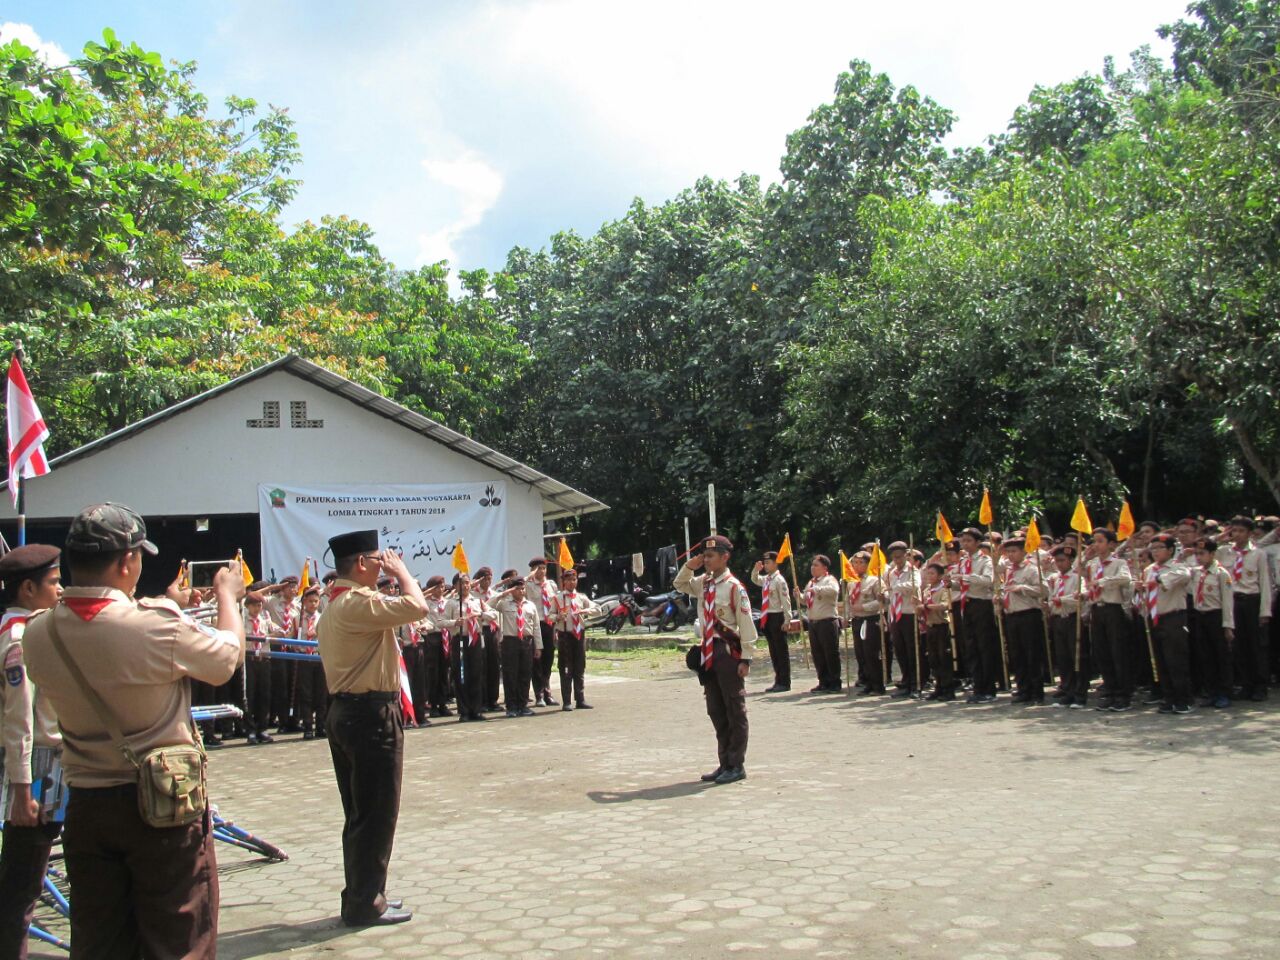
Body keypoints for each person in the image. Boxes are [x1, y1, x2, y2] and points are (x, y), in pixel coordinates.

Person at [23, 503, 244, 958]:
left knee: (101, 939)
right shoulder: (154, 624)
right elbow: (225, 659)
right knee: (178, 937)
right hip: (162, 803)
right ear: (127, 561)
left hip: (86, 800)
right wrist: (227, 596)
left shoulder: (38, 634)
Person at [317, 530, 427, 927]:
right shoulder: (356, 603)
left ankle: (364, 895)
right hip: (369, 717)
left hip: (347, 712)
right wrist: (403, 572)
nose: (384, 565)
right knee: (376, 814)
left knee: (360, 813)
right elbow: (418, 606)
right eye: (379, 560)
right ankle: (365, 903)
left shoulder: (336, 604)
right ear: (361, 564)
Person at [0, 544, 63, 960]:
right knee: (23, 885)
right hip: (36, 769)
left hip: (44, 765)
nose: (60, 590)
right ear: (27, 588)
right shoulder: (19, 638)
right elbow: (20, 719)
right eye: (54, 583)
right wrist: (23, 791)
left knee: (25, 880)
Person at [673, 536, 758, 785]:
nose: (707, 560)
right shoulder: (703, 582)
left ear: (725, 557)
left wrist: (746, 658)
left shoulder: (734, 587)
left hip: (728, 652)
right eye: (705, 556)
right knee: (716, 710)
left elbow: (746, 624)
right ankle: (724, 762)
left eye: (711, 556)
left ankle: (736, 763)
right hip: (708, 652)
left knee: (734, 709)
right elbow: (679, 584)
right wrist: (691, 565)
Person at [1218, 516, 1273, 701]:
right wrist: (1219, 538)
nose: (1237, 534)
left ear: (1250, 533)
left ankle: (1260, 685)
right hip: (1232, 601)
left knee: (1256, 645)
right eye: (1234, 530)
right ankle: (1246, 684)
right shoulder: (1224, 552)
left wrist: (1265, 611)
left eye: (1242, 531)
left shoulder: (1258, 554)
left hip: (1251, 600)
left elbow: (1265, 583)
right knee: (1238, 645)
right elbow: (1203, 549)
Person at [1087, 528, 1135, 712]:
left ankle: (1123, 693)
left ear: (1111, 544)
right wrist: (1084, 556)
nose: (1096, 545)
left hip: (1112, 608)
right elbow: (1077, 571)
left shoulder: (1118, 562)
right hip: (1096, 609)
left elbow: (1125, 578)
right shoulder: (1092, 564)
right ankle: (1110, 690)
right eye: (1094, 541)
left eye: (1100, 541)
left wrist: (1102, 581)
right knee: (1102, 652)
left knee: (1118, 651)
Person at [1144, 534, 1193, 714]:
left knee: (1176, 660)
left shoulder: (1178, 567)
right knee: (1160, 660)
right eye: (1153, 548)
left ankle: (1183, 699)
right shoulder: (1150, 569)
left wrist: (1156, 580)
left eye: (1159, 548)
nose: (1155, 552)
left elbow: (1176, 578)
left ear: (1171, 550)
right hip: (1154, 617)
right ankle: (1168, 697)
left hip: (1173, 617)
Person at [954, 528, 999, 703]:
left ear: (978, 542)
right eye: (963, 541)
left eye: (968, 541)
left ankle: (989, 688)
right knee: (971, 647)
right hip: (967, 604)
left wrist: (965, 577)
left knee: (984, 647)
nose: (965, 544)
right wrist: (952, 583)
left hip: (982, 604)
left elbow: (988, 580)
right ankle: (978, 686)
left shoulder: (985, 560)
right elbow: (962, 585)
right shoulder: (964, 561)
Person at [443, 572, 495, 722]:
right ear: (455, 586)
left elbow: (493, 615)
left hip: (475, 639)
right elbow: (440, 622)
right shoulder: (452, 603)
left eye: (467, 583)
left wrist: (481, 614)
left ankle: (476, 709)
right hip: (460, 639)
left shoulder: (477, 601)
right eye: (462, 583)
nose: (465, 586)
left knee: (476, 674)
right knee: (461, 675)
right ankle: (464, 710)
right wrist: (454, 623)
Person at [1002, 538, 1047, 704]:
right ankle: (1023, 689)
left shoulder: (1032, 569)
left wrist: (1023, 588)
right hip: (1012, 614)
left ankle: (1037, 691)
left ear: (1023, 552)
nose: (1011, 555)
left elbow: (1044, 590)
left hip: (1029, 614)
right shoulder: (1009, 570)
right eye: (1008, 552)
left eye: (1014, 551)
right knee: (1017, 654)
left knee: (1032, 653)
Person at [1190, 537, 1234, 708]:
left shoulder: (1221, 573)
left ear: (1213, 554)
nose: (1199, 557)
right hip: (1200, 616)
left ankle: (1225, 693)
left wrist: (1228, 625)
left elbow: (1228, 601)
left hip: (1216, 616)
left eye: (1202, 553)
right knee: (1206, 656)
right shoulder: (1196, 572)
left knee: (1221, 656)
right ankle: (1212, 691)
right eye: (1196, 554)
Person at [489, 576, 540, 717]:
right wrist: (504, 594)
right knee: (510, 674)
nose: (521, 591)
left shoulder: (530, 605)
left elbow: (536, 627)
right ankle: (511, 706)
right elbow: (488, 604)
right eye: (517, 588)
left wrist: (538, 647)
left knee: (525, 674)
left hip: (526, 641)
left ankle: (523, 705)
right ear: (512, 590)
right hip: (510, 642)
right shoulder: (505, 604)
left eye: (522, 588)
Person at [554, 568, 602, 711]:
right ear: (563, 582)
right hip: (565, 635)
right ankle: (567, 701)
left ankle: (580, 699)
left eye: (573, 579)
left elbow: (598, 609)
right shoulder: (558, 598)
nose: (571, 582)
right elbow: (549, 615)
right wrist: (557, 617)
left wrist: (585, 611)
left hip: (579, 634)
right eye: (568, 580)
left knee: (580, 667)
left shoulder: (581, 597)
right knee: (566, 668)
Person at [1045, 546, 1087, 708]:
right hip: (1058, 619)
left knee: (1076, 657)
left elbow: (1080, 598)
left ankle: (1080, 695)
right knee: (1063, 658)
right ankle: (1068, 691)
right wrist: (1049, 604)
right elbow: (1051, 597)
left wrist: (1063, 600)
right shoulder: (1055, 578)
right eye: (1056, 561)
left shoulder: (1077, 578)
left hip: (1072, 618)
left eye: (1062, 560)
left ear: (1070, 561)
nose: (1059, 564)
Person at [751, 551, 793, 692]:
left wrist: (787, 619)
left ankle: (785, 681)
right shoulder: (767, 579)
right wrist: (756, 570)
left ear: (776, 563)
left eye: (768, 563)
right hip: (767, 616)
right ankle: (778, 680)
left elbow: (786, 601)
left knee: (781, 651)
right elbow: (755, 580)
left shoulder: (779, 580)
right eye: (765, 563)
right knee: (774, 651)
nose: (766, 565)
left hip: (777, 615)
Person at [885, 542, 922, 698]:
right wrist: (887, 594)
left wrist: (896, 587)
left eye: (899, 557)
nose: (897, 560)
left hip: (909, 612)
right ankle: (906, 682)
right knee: (900, 650)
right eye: (894, 558)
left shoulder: (913, 571)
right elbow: (889, 592)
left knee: (912, 649)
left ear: (906, 555)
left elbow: (914, 585)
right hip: (895, 613)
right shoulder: (891, 573)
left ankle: (916, 684)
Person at [242, 591, 281, 744]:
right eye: (253, 605)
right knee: (249, 695)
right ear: (247, 606)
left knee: (264, 695)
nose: (257, 609)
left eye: (259, 605)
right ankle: (250, 730)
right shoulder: (242, 619)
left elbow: (279, 631)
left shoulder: (265, 618)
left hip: (264, 659)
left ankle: (262, 729)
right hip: (250, 659)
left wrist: (274, 635)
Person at [846, 551, 886, 694]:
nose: (857, 565)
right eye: (855, 562)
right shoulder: (852, 582)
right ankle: (867, 682)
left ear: (868, 564)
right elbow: (848, 601)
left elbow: (882, 600)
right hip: (857, 620)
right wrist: (847, 615)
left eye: (861, 562)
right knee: (861, 654)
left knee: (871, 653)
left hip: (870, 619)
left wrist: (864, 607)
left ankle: (878, 685)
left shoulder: (875, 580)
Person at [801, 555, 841, 693]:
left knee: (830, 653)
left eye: (816, 565)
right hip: (813, 622)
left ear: (824, 568)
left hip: (827, 621)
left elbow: (834, 591)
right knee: (817, 654)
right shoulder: (811, 582)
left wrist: (817, 589)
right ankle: (823, 681)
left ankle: (835, 682)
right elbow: (806, 600)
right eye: (812, 565)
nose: (813, 568)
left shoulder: (830, 580)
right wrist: (799, 596)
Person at [919, 562, 956, 701]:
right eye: (928, 573)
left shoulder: (944, 589)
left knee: (943, 657)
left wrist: (927, 607)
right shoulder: (927, 590)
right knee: (933, 658)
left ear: (940, 576)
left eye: (932, 573)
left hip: (942, 625)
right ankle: (938, 687)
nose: (929, 576)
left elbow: (945, 605)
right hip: (930, 625)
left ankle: (948, 689)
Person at [296, 585, 329, 738]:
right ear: (304, 602)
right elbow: (291, 636)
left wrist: (316, 632)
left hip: (319, 657)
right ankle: (308, 726)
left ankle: (321, 726)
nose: (313, 604)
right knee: (306, 694)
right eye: (310, 601)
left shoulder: (322, 617)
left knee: (321, 693)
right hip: (304, 659)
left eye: (316, 601)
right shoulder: (297, 618)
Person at [526, 557, 559, 706]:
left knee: (548, 659)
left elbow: (556, 605)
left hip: (549, 624)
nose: (542, 571)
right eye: (538, 568)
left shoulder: (551, 585)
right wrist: (530, 576)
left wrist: (556, 628)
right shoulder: (528, 585)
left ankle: (548, 692)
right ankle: (538, 694)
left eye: (544, 568)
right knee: (536, 660)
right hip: (535, 624)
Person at [472, 567, 504, 713]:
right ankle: (483, 700)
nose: (488, 580)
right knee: (482, 666)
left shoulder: (496, 595)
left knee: (494, 665)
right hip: (480, 631)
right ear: (478, 580)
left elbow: (500, 615)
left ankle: (493, 700)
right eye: (484, 578)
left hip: (493, 631)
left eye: (490, 577)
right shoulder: (473, 595)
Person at [420, 576, 452, 718]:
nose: (441, 589)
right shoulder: (425, 602)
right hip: (433, 637)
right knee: (433, 672)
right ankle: (433, 705)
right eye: (438, 587)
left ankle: (443, 703)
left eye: (442, 586)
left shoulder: (447, 602)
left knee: (444, 672)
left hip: (446, 638)